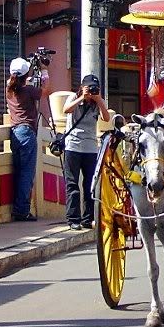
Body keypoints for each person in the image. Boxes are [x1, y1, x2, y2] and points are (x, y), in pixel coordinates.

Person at [6, 57, 52, 221]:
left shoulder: (9, 88)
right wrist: (44, 70)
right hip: (27, 133)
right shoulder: (28, 90)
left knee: (18, 172)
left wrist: (28, 72)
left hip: (15, 133)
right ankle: (22, 211)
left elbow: (18, 79)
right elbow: (46, 91)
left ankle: (18, 208)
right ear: (26, 75)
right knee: (26, 173)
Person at [61, 75, 109, 230]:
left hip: (90, 148)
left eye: (94, 88)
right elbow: (66, 110)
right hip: (73, 147)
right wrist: (82, 97)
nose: (92, 91)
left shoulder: (97, 103)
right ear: (82, 87)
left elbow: (107, 118)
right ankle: (73, 218)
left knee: (90, 184)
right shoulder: (73, 98)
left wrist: (99, 99)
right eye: (89, 88)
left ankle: (88, 219)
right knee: (72, 184)